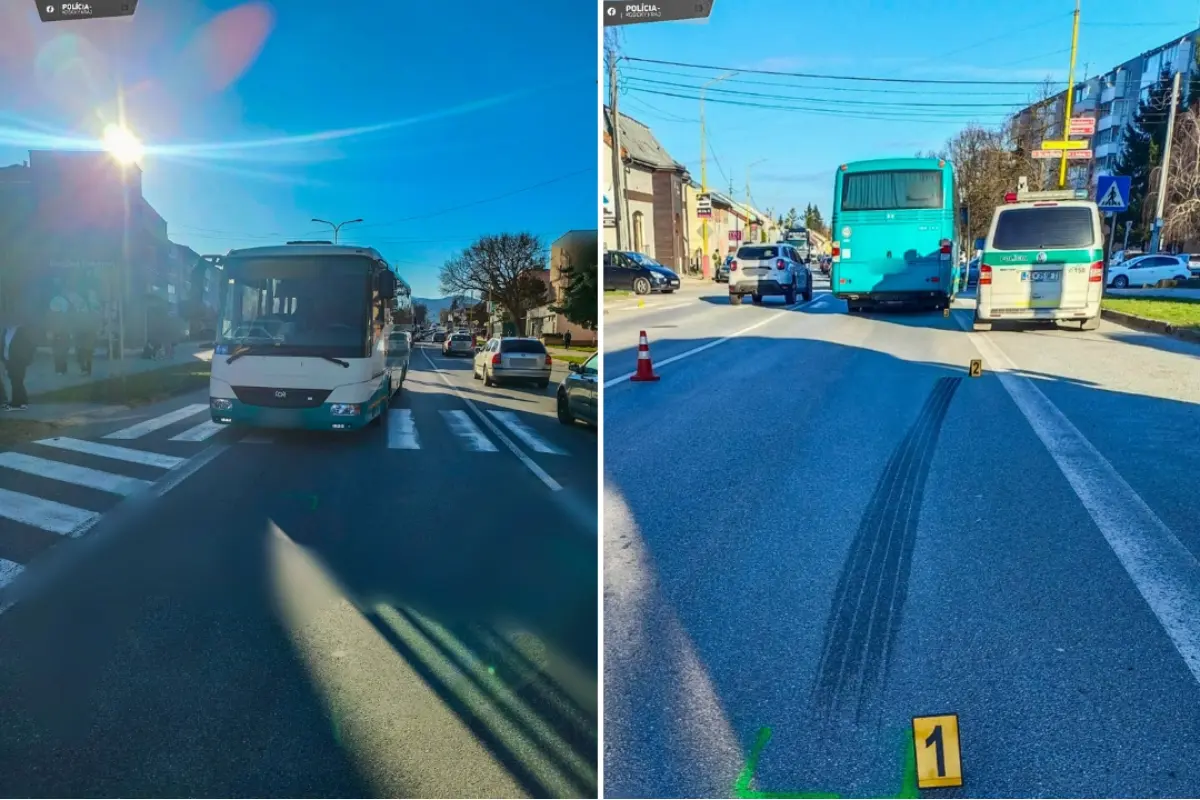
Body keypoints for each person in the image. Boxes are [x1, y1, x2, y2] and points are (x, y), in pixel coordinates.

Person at [1, 320, 36, 411]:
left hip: (19, 361)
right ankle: (18, 401)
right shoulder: (6, 331)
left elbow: (31, 346)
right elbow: (3, 345)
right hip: (8, 360)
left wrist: (27, 360)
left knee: (18, 380)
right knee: (14, 381)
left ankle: (20, 402)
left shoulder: (22, 332)